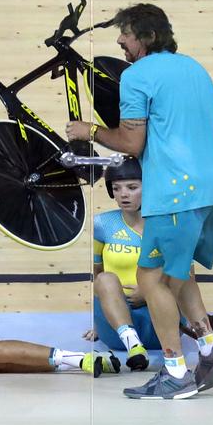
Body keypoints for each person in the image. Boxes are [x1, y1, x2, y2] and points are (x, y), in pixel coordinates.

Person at [66, 3, 213, 399]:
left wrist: (88, 130)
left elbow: (131, 142)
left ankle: (175, 372)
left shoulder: (136, 75)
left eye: (125, 34)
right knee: (179, 272)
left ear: (147, 36)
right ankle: (211, 350)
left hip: (175, 193)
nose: (120, 42)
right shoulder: (196, 69)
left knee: (151, 278)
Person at [87, 156, 157, 371]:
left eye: (132, 187)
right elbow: (97, 274)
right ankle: (133, 346)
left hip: (157, 319)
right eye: (116, 188)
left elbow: (185, 276)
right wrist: (98, 321)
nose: (123, 194)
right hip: (116, 328)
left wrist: (148, 291)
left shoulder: (166, 224)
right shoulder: (102, 224)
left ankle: (135, 342)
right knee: (105, 278)